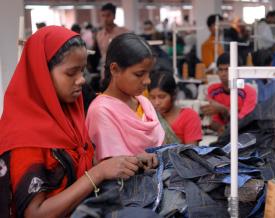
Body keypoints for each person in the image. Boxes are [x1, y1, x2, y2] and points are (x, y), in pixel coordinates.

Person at [0, 26, 156, 217]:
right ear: (42, 73)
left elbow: (75, 167)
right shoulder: (23, 136)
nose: (82, 80)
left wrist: (126, 162)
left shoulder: (68, 119)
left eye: (82, 71)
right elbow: (35, 213)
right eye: (71, 72)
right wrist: (99, 172)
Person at [86, 33, 165, 161]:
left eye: (149, 73)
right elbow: (111, 167)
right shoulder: (101, 111)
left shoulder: (144, 103)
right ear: (115, 69)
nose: (148, 81)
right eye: (139, 74)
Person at [200, 53, 257, 134]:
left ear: (238, 71)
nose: (223, 74)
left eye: (227, 70)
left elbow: (243, 122)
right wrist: (219, 126)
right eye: (220, 69)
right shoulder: (212, 89)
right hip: (218, 135)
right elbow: (212, 120)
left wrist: (224, 110)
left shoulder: (249, 92)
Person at [148, 70, 202, 145]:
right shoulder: (149, 116)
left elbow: (191, 152)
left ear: (173, 95)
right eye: (152, 97)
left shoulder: (189, 117)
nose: (157, 102)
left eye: (162, 97)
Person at [96, 3, 128, 86]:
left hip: (121, 69)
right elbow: (102, 54)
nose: (105, 19)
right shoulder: (99, 35)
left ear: (114, 16)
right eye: (103, 16)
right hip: (105, 71)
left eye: (108, 15)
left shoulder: (123, 32)